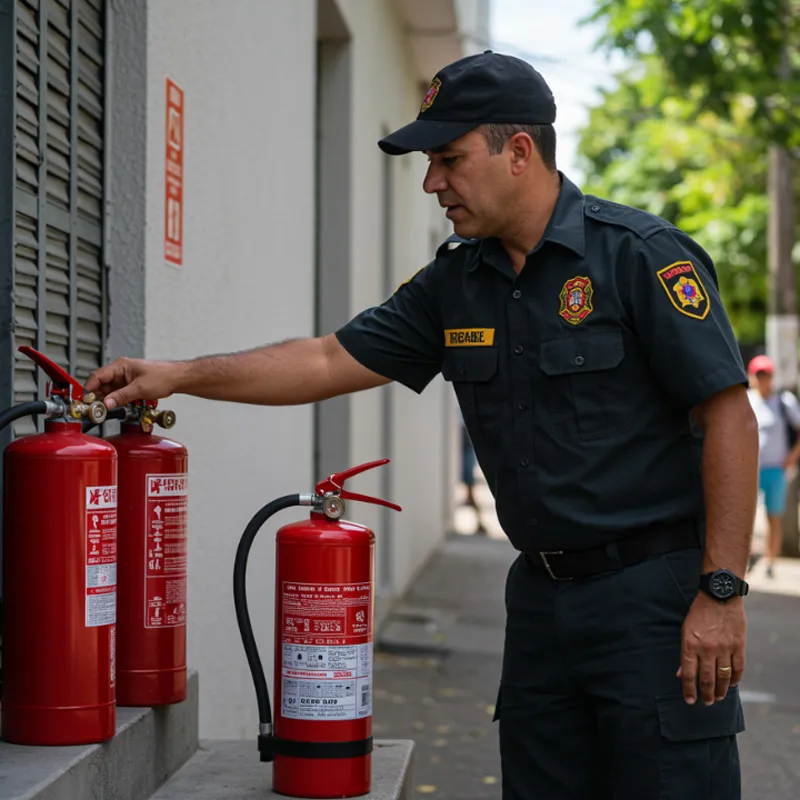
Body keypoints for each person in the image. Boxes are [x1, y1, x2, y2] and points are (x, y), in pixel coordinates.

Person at [86, 52, 759, 799]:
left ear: (519, 152)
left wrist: (722, 592)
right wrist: (179, 374)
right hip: (539, 604)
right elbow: (322, 360)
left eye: (449, 158)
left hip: (654, 601)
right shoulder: (456, 284)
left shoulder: (637, 257)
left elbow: (727, 414)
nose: (434, 182)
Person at [746, 354, 800, 577]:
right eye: (759, 375)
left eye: (766, 375)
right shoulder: (746, 399)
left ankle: (770, 560)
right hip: (750, 469)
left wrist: (792, 457)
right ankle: (746, 557)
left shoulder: (784, 401)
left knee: (773, 516)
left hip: (775, 469)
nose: (763, 379)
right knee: (745, 516)